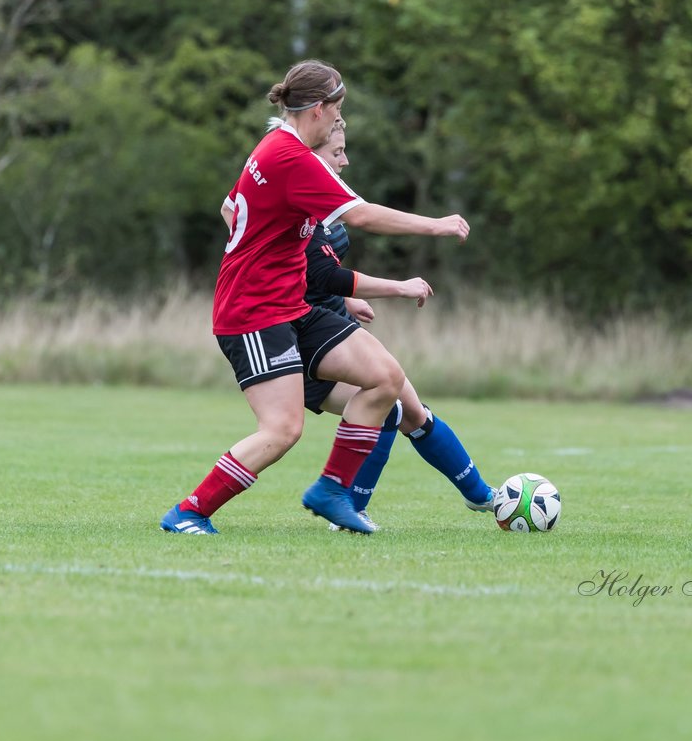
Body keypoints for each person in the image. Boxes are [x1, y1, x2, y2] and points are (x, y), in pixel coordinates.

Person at [159, 60, 470, 535]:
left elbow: (231, 207)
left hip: (292, 306)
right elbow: (362, 215)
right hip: (252, 313)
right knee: (282, 430)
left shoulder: (276, 149)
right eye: (338, 109)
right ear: (320, 109)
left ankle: (332, 490)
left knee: (385, 380)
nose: (340, 121)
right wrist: (436, 224)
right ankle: (190, 511)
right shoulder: (289, 157)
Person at [294, 118, 498, 531]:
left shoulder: (323, 208)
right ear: (313, 154)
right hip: (299, 338)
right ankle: (349, 507)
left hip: (329, 322)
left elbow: (312, 274)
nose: (345, 160)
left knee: (413, 412)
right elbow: (321, 271)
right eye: (337, 152)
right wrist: (400, 281)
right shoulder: (298, 210)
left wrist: (345, 301)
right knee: (388, 405)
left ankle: (483, 496)